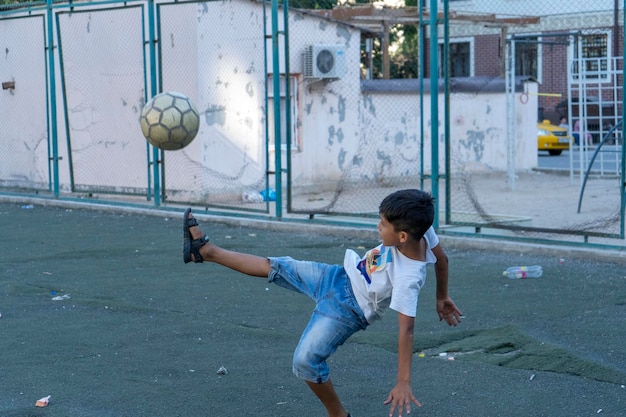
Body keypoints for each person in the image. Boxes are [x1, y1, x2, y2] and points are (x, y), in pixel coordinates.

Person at [182, 189, 463, 417]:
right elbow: (442, 260)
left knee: (305, 361)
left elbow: (407, 330)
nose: (378, 226)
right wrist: (442, 297)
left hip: (348, 309)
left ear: (402, 237)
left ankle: (337, 414)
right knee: (279, 266)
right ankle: (207, 251)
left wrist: (403, 382)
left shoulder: (409, 277)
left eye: (383, 224)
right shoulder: (422, 230)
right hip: (338, 276)